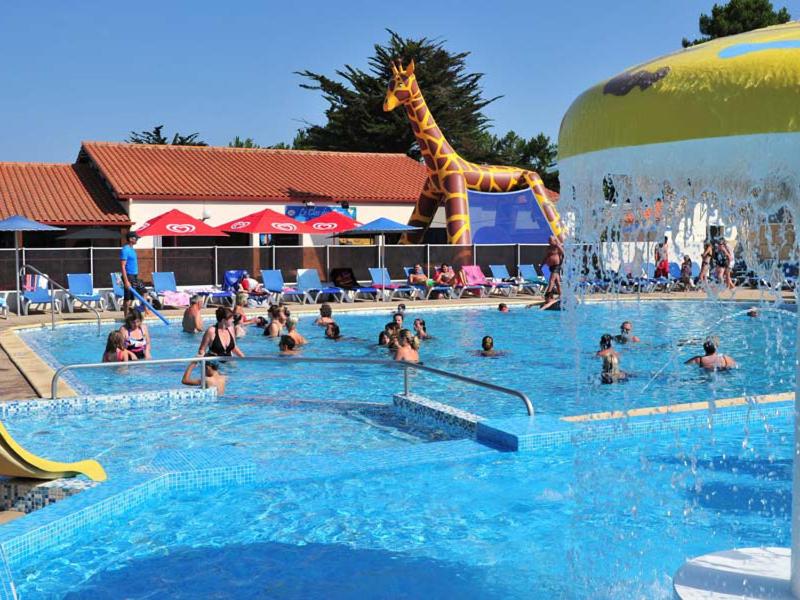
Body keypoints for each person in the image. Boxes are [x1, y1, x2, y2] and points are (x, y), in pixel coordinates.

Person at [120, 231, 144, 315]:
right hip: (128, 276)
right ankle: (126, 316)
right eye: (135, 238)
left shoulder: (132, 249)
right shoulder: (125, 250)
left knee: (143, 292)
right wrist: (126, 281)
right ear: (130, 239)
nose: (137, 239)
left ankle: (143, 310)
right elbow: (123, 266)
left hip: (134, 276)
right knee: (128, 297)